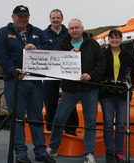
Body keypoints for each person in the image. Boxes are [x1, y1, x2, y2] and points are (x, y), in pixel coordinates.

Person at [0, 5, 55, 163]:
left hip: (35, 82)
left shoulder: (38, 32)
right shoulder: (2, 33)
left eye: (25, 16)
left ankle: (41, 152)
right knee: (18, 118)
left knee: (36, 118)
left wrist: (37, 48)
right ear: (13, 17)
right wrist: (13, 70)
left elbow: (50, 48)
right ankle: (20, 153)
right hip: (14, 82)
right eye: (20, 16)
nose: (23, 19)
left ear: (29, 17)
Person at [46, 19, 106, 163]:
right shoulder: (62, 46)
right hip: (70, 89)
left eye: (77, 27)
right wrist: (69, 55)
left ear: (82, 28)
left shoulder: (92, 44)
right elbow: (57, 66)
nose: (74, 30)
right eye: (72, 28)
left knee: (90, 122)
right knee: (59, 119)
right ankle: (53, 148)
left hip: (89, 88)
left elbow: (102, 63)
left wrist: (91, 75)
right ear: (68, 30)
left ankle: (89, 153)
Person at [99, 29, 134, 163]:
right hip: (106, 94)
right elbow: (98, 71)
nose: (114, 40)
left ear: (121, 39)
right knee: (108, 124)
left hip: (123, 95)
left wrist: (127, 86)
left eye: (117, 37)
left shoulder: (129, 55)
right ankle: (109, 153)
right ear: (108, 40)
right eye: (112, 38)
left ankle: (119, 153)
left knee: (121, 125)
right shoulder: (103, 54)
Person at [43, 9, 79, 134]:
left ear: (62, 19)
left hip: (66, 73)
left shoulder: (69, 33)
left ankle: (71, 128)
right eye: (53, 18)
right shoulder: (43, 34)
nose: (55, 20)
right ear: (50, 19)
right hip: (49, 74)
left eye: (58, 18)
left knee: (70, 99)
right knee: (50, 100)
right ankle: (50, 128)